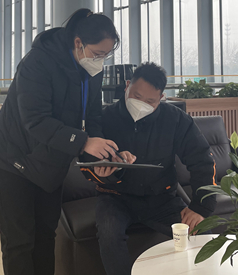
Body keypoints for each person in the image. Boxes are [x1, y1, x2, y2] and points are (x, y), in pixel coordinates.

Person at [0, 8, 129, 275]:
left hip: (52, 160)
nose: (100, 61)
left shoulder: (91, 70)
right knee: (19, 242)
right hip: (15, 158)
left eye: (106, 55)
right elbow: (35, 120)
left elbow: (93, 116)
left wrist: (100, 155)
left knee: (46, 236)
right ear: (78, 43)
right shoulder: (38, 62)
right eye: (98, 53)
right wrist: (83, 142)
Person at [81, 62, 217, 275]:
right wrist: (103, 174)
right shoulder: (104, 118)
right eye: (136, 96)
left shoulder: (176, 119)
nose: (141, 104)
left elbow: (202, 160)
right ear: (127, 85)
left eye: (150, 101)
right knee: (108, 233)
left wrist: (201, 207)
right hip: (115, 198)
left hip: (161, 199)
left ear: (161, 98)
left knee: (201, 233)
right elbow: (86, 162)